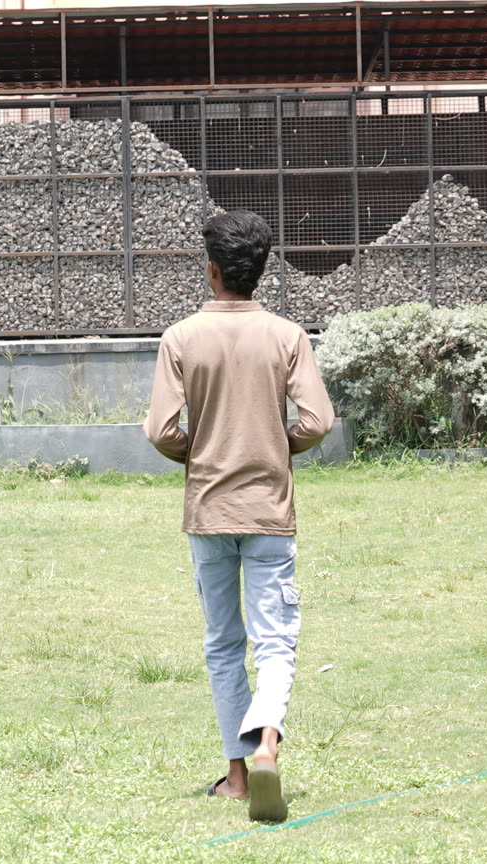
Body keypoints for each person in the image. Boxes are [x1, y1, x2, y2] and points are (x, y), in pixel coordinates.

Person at [143, 210, 334, 824]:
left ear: (213, 269)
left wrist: (198, 453)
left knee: (223, 644)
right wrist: (277, 445)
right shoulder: (287, 336)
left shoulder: (180, 337)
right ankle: (270, 742)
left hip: (208, 509)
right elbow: (318, 420)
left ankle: (236, 774)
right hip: (269, 511)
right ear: (260, 271)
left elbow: (159, 430)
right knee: (275, 639)